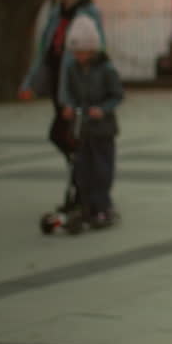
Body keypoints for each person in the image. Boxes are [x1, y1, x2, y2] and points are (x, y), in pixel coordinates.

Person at [19, 0, 106, 164]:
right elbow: (44, 49)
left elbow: (98, 46)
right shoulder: (56, 12)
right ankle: (80, 167)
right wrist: (30, 82)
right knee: (64, 132)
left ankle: (84, 167)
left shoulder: (87, 11)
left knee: (65, 131)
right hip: (57, 77)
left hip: (77, 80)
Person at [62, 14, 124, 229]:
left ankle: (103, 206)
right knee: (82, 167)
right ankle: (86, 204)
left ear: (92, 49)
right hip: (82, 126)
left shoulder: (106, 69)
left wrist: (103, 110)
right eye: (75, 52)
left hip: (103, 128)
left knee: (102, 169)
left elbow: (117, 95)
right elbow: (70, 93)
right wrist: (69, 106)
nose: (78, 56)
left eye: (82, 52)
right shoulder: (72, 69)